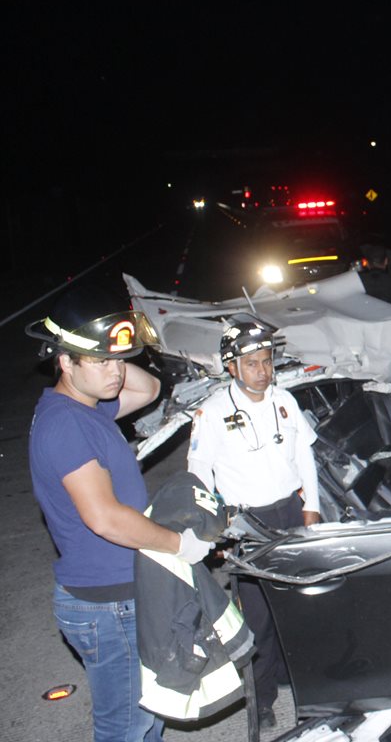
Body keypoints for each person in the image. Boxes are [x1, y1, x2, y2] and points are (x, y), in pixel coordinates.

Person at [26, 285, 214, 742]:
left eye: (117, 361)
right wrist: (179, 545)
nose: (115, 373)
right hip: (105, 605)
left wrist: (109, 345)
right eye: (102, 363)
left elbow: (149, 387)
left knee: (150, 716)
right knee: (125, 727)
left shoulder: (88, 409)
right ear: (65, 360)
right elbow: (105, 518)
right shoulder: (65, 424)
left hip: (122, 594)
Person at [185, 317, 320, 729]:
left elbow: (305, 457)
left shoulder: (285, 401)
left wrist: (311, 507)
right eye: (253, 364)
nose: (264, 372)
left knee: (299, 607)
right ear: (232, 367)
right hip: (246, 522)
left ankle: (307, 689)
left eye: (267, 361)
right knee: (258, 618)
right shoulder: (212, 412)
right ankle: (260, 701)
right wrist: (213, 525)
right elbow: (199, 471)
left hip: (289, 514)